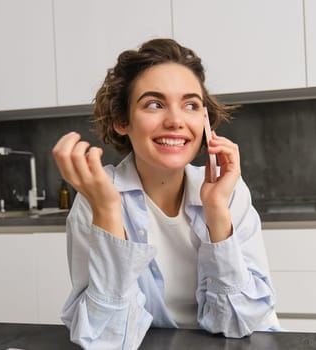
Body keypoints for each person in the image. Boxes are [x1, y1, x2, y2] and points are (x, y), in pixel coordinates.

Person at [52, 38, 279, 349]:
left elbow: (240, 323)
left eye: (190, 105)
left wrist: (216, 212)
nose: (175, 121)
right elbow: (106, 337)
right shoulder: (96, 198)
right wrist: (107, 212)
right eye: (154, 104)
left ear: (204, 122)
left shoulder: (228, 193)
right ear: (122, 120)